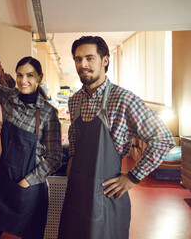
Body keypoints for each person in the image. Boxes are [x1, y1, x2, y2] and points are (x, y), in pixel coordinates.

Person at [58, 36, 175, 239]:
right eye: (78, 59)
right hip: (76, 193)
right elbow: (74, 135)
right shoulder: (75, 100)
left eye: (89, 58)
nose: (82, 65)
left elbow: (163, 139)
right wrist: (71, 159)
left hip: (105, 195)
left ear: (105, 60)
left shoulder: (124, 99)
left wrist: (133, 177)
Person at [0, 56, 62, 239]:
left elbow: (54, 158)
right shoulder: (10, 98)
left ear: (40, 77)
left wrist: (27, 181)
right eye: (19, 75)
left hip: (30, 190)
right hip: (4, 183)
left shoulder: (48, 113)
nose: (23, 81)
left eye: (30, 75)